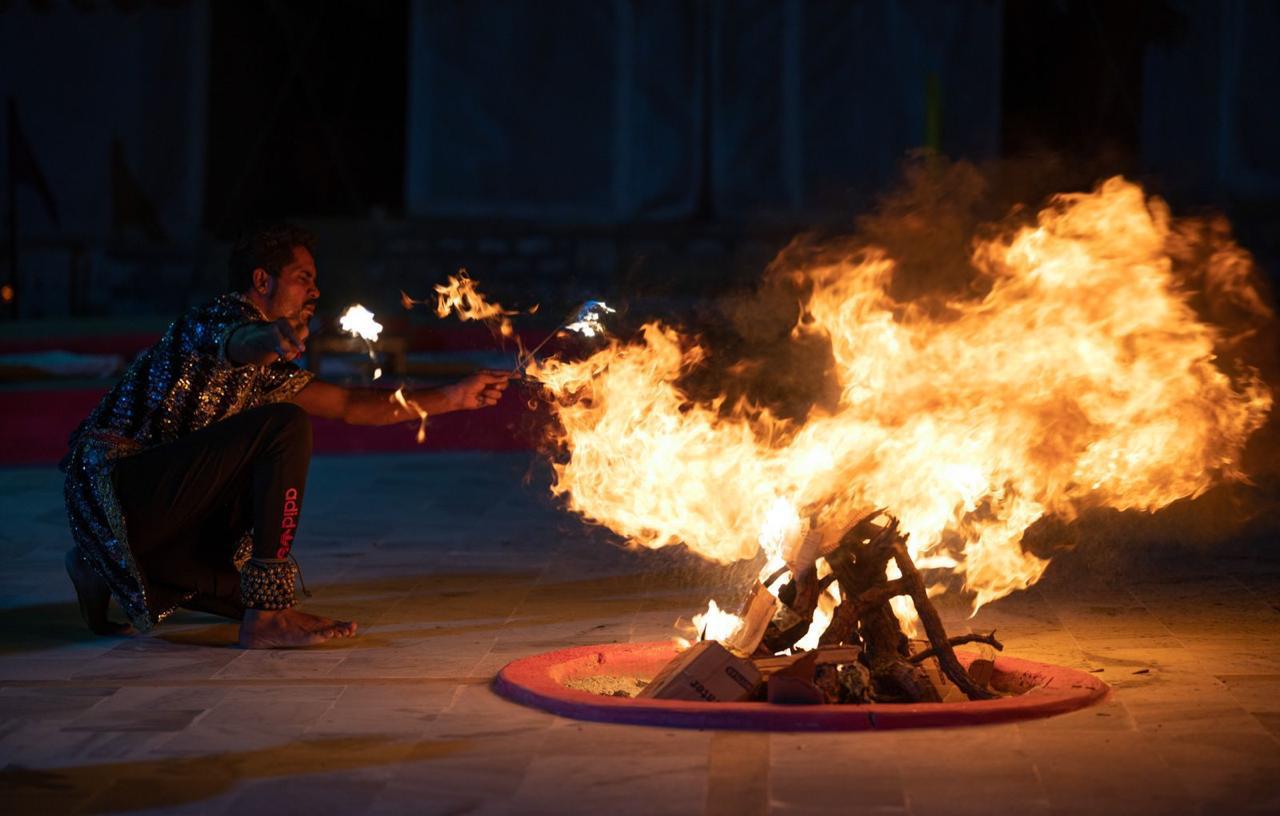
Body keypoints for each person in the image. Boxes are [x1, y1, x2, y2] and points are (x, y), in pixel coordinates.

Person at [61, 223, 510, 648]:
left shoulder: (270, 372)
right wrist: (270, 335)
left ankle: (95, 565)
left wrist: (454, 396)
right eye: (303, 277)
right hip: (116, 491)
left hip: (159, 519)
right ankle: (266, 619)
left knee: (247, 595)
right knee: (284, 425)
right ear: (262, 280)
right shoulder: (215, 320)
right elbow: (239, 339)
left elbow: (352, 405)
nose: (315, 291)